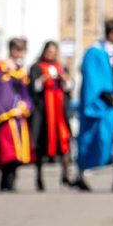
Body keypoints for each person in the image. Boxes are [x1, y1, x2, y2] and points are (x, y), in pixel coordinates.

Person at [79, 18, 113, 192]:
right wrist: (111, 98)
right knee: (94, 139)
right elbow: (93, 81)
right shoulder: (94, 52)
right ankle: (81, 173)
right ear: (111, 33)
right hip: (100, 106)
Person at [29, 41, 76, 191]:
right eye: (49, 52)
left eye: (54, 52)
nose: (51, 55)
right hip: (43, 113)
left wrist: (65, 80)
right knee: (40, 145)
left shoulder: (61, 68)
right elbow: (33, 88)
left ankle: (65, 175)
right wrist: (43, 80)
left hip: (59, 113)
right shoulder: (36, 68)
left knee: (64, 142)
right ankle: (39, 177)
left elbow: (69, 87)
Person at [0, 38, 34, 192]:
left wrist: (24, 106)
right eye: (18, 50)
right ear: (12, 50)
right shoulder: (1, 67)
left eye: (22, 50)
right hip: (6, 116)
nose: (20, 54)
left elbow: (25, 93)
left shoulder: (21, 70)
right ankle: (4, 183)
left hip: (19, 116)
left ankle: (12, 182)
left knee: (18, 153)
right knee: (7, 151)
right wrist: (5, 110)